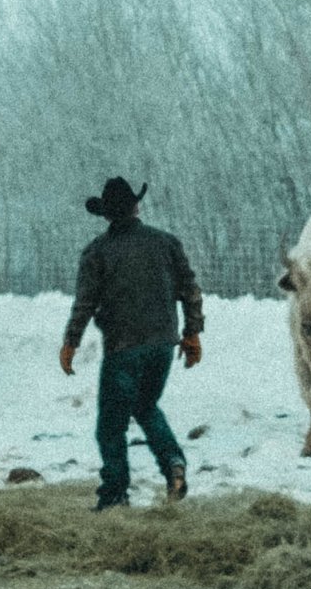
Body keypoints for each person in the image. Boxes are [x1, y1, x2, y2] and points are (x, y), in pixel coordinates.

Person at [60, 177, 204, 509]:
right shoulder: (166, 243)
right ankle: (173, 464)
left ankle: (114, 495)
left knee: (110, 426)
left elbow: (85, 304)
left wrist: (71, 342)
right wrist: (192, 333)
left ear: (106, 216)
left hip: (122, 348)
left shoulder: (97, 252)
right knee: (146, 406)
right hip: (163, 346)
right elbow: (190, 289)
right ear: (137, 207)